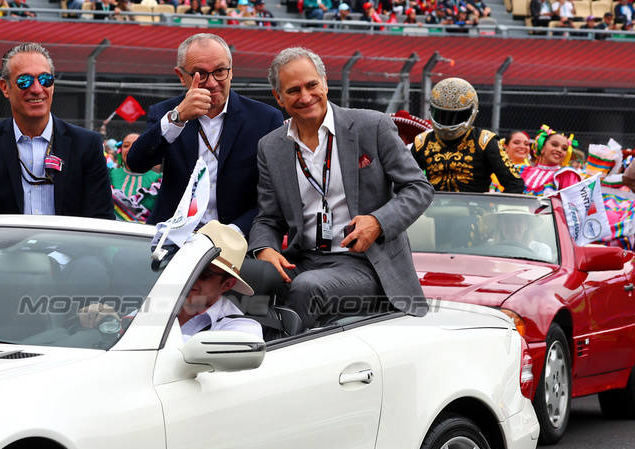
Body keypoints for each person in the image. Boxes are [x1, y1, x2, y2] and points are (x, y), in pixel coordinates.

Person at [250, 47, 433, 330]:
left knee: (307, 288)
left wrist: (377, 222)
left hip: (368, 263)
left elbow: (418, 188)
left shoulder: (373, 125)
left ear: (325, 82)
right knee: (244, 278)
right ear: (278, 97)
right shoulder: (270, 146)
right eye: (294, 90)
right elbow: (268, 218)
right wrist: (264, 249)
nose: (306, 97)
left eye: (312, 85)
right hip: (303, 260)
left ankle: (282, 368)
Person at [126, 33, 284, 235]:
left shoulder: (265, 118)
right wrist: (177, 118)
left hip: (239, 238)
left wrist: (232, 232)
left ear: (231, 70)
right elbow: (136, 163)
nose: (211, 82)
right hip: (173, 238)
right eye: (200, 73)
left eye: (220, 71)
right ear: (181, 76)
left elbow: (275, 195)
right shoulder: (164, 113)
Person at [0, 43, 112, 219]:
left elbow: (100, 219)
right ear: (5, 87)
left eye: (45, 80)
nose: (36, 89)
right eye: (24, 81)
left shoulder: (87, 146)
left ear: (53, 85)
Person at [79, 220, 263, 340]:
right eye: (188, 265)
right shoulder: (159, 303)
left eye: (204, 273)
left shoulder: (242, 329)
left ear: (227, 284)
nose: (191, 276)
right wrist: (111, 322)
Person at [410, 78, 523, 193]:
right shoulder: (422, 142)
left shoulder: (485, 141)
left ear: (472, 112)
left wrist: (497, 209)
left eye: (456, 116)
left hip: (475, 210)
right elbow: (406, 181)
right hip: (431, 209)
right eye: (441, 115)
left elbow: (514, 183)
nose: (448, 122)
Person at [110, 132, 162, 222]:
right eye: (126, 146)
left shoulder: (157, 180)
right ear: (120, 151)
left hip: (142, 234)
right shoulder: (109, 174)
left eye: (136, 145)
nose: (130, 149)